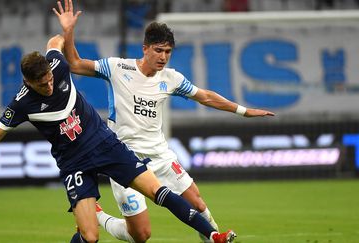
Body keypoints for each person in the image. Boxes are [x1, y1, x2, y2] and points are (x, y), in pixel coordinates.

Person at [0, 7, 234, 243]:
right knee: (90, 236)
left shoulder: (57, 65)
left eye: (49, 79)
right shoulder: (20, 104)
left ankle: (212, 235)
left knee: (158, 191)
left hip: (105, 143)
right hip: (73, 162)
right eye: (41, 84)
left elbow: (55, 42)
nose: (49, 85)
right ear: (27, 83)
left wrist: (67, 31)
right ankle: (93, 219)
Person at [54, 1, 275, 242]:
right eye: (158, 50)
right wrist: (68, 30)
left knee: (197, 201)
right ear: (145, 48)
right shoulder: (117, 67)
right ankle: (98, 216)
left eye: (168, 52)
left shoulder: (171, 78)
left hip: (160, 155)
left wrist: (244, 111)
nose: (163, 57)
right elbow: (75, 64)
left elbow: (205, 97)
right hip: (123, 157)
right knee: (140, 235)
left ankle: (215, 238)